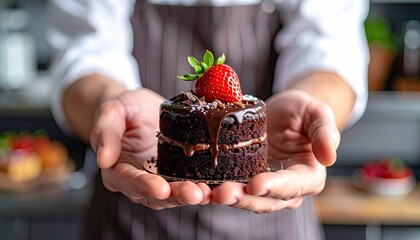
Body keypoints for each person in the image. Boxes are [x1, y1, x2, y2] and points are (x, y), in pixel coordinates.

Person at [47, 0, 369, 239]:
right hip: (132, 217)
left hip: (275, 216)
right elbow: (83, 49)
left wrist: (314, 103)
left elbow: (331, 46)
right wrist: (109, 103)